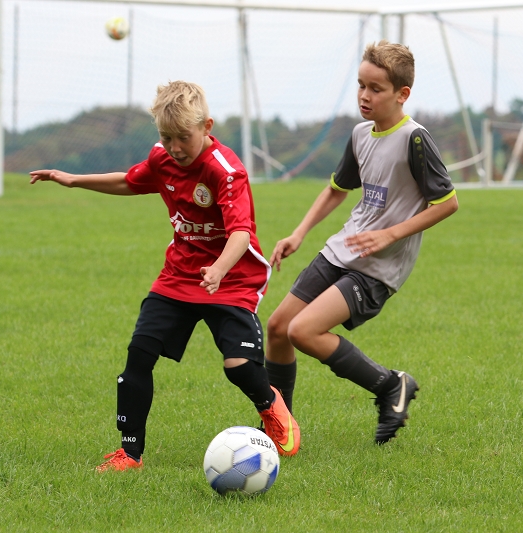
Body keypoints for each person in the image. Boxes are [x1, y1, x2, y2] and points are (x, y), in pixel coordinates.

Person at [29, 81, 300, 472]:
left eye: (183, 137)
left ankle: (271, 405)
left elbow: (241, 232)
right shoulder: (162, 158)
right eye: (165, 137)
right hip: (179, 275)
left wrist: (219, 269)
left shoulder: (226, 171)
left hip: (232, 278)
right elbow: (130, 181)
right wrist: (73, 179)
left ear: (206, 126)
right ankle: (130, 455)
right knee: (138, 358)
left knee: (238, 366)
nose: (174, 146)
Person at [264, 41, 458, 445]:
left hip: (378, 266)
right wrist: (299, 233)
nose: (364, 96)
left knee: (304, 331)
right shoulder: (359, 135)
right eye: (360, 85)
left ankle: (390, 385)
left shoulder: (414, 140)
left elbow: (447, 203)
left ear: (402, 94)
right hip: (342, 249)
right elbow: (337, 190)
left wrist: (391, 233)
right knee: (279, 327)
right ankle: (279, 425)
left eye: (375, 88)